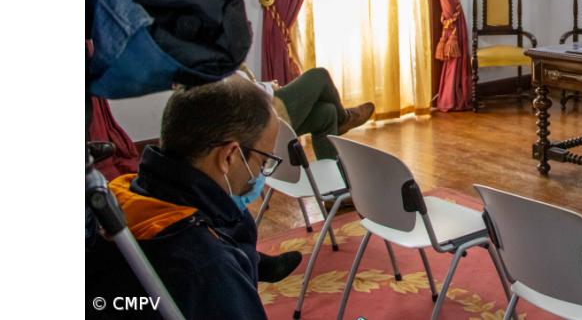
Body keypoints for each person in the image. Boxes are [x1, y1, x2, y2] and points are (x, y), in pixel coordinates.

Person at [86, 77, 288, 318]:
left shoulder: (120, 197)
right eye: (264, 161)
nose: (260, 173)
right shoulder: (207, 268)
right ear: (229, 156)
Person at [238, 65, 374, 161]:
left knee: (327, 113)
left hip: (264, 110)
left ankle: (333, 192)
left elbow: (248, 85)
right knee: (320, 75)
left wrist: (267, 85)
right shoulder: (220, 70)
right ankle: (345, 119)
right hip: (266, 115)